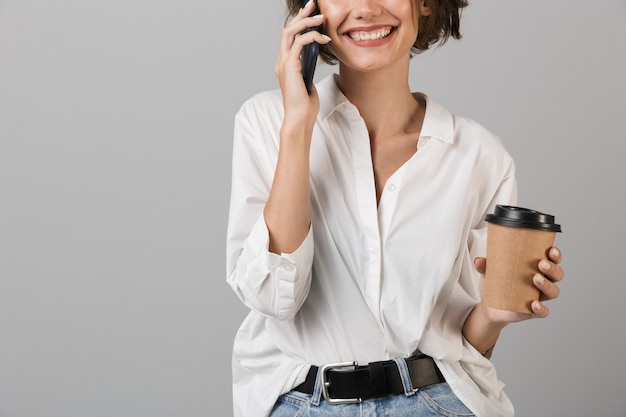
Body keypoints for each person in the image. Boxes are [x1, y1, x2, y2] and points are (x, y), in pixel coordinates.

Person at [226, 0, 565, 416]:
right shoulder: (268, 121)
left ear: (424, 4)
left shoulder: (480, 157)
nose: (365, 8)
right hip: (304, 402)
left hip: (436, 401)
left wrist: (494, 314)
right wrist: (298, 125)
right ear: (312, 9)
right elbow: (274, 298)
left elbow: (466, 354)